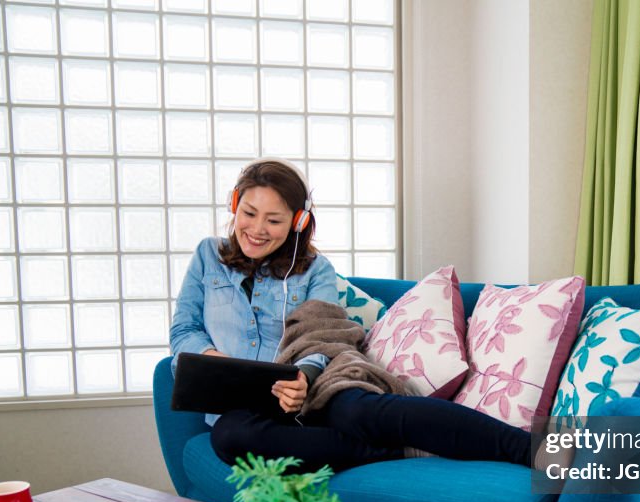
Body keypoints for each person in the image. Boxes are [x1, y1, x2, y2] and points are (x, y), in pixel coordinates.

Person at [170, 158, 532, 473]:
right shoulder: (207, 256)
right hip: (240, 405)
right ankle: (396, 449)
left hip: (317, 386)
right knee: (231, 436)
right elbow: (184, 329)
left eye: (274, 220)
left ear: (297, 223)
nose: (258, 229)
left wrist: (305, 377)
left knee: (360, 412)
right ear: (235, 205)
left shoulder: (315, 270)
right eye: (249, 213)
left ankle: (536, 449)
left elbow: (324, 336)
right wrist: (210, 359)